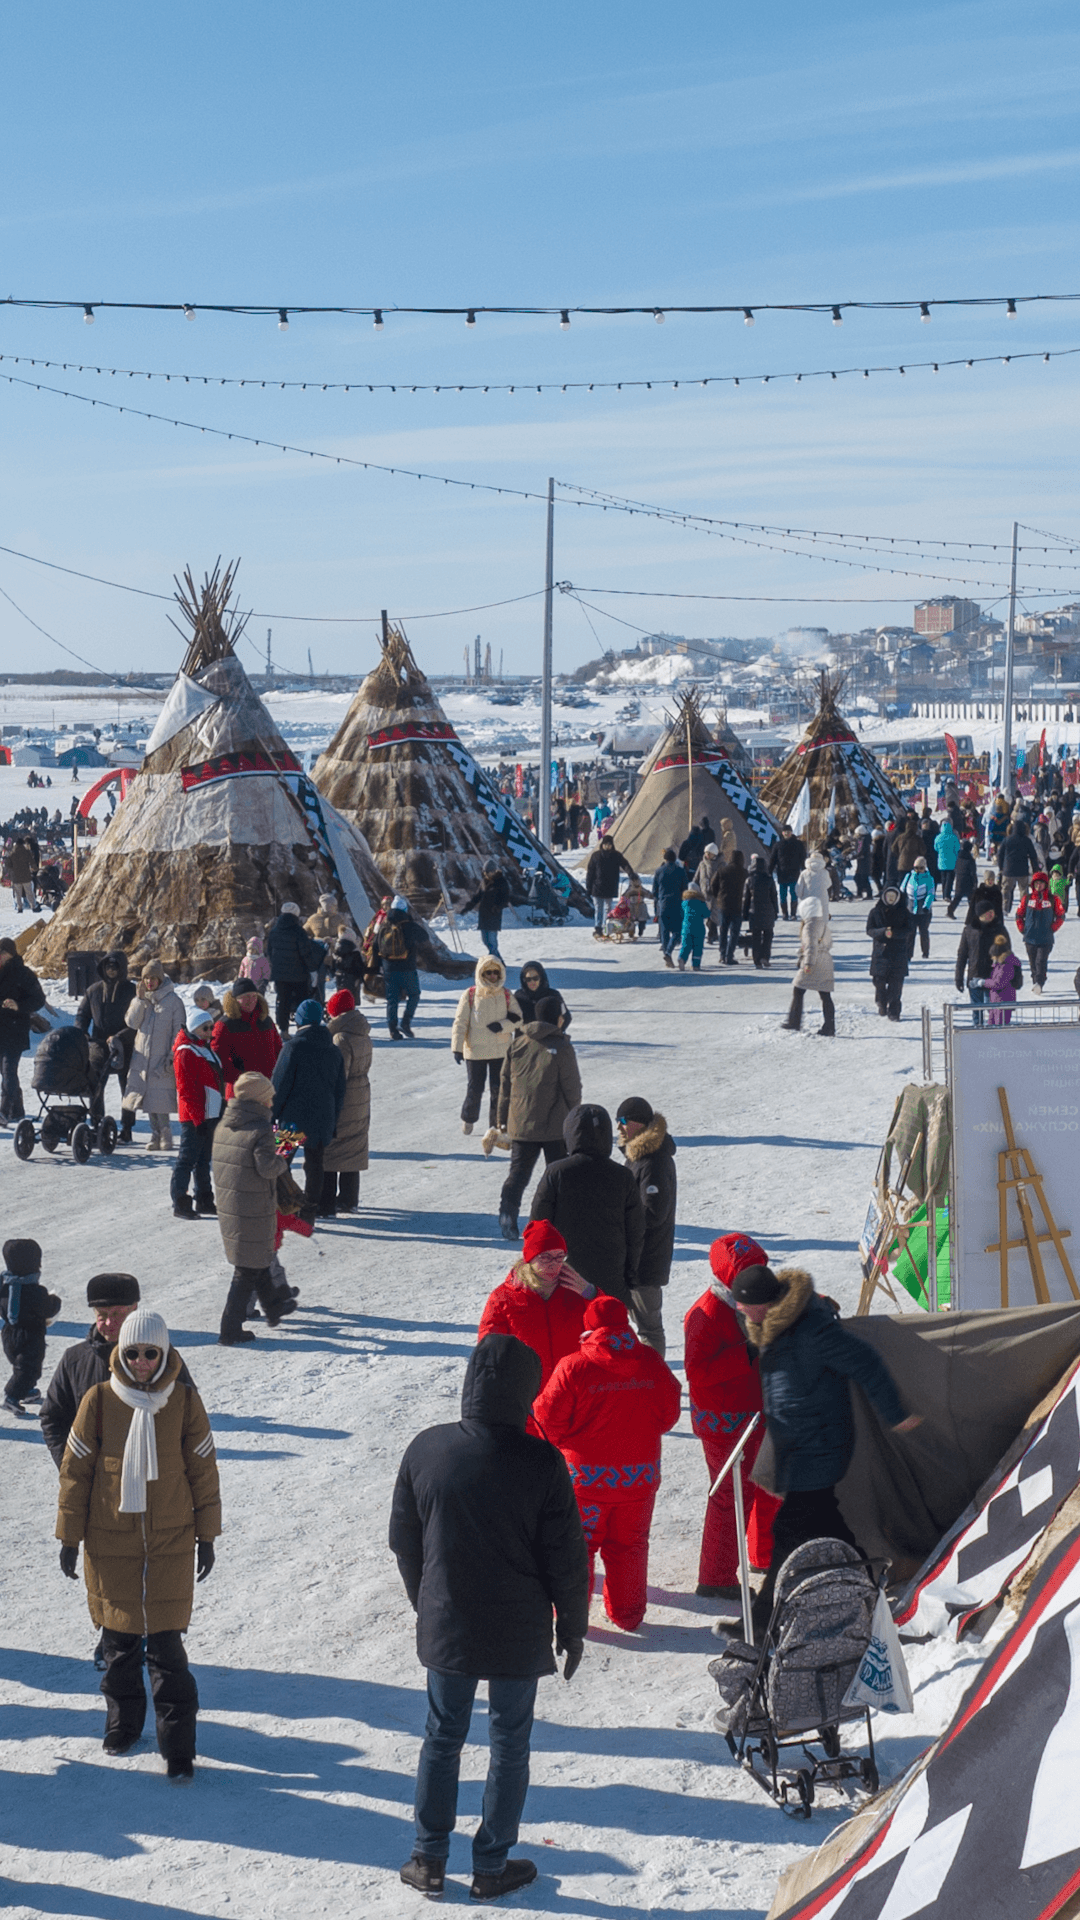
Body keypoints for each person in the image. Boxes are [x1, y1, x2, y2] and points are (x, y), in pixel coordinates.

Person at [389, 1333, 589, 1903]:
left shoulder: (426, 1449)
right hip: (518, 1631)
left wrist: (426, 1602)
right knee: (509, 1744)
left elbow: (404, 1541)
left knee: (441, 1736)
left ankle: (428, 1858)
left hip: (448, 1621)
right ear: (527, 1391)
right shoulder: (541, 1461)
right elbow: (566, 1557)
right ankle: (491, 1864)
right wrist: (571, 1627)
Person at [56, 1306, 221, 1779]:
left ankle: (179, 1747)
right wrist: (69, 1536)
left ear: (165, 1352)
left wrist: (206, 1535)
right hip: (110, 1542)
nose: (143, 1362)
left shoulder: (185, 1401)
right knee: (120, 1646)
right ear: (119, 1353)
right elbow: (75, 1473)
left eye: (152, 1353)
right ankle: (123, 1723)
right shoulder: (99, 1400)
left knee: (168, 1653)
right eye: (133, 1353)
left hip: (170, 1541)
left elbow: (203, 1472)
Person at [725, 1263, 918, 1634]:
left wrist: (896, 1413)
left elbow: (866, 1363)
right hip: (801, 1449)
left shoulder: (810, 1329)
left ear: (762, 1303)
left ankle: (761, 1621)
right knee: (830, 1530)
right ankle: (873, 1593)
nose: (739, 1311)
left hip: (820, 1448)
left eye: (743, 1305)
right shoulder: (777, 1329)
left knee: (787, 1532)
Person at [533, 1294, 680, 1632]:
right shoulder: (651, 1360)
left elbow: (546, 1419)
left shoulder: (574, 1366)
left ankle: (571, 1617)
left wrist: (569, 1444)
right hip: (640, 1479)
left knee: (577, 1548)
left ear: (589, 1327)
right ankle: (627, 1615)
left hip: (586, 1483)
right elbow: (670, 1412)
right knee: (630, 1545)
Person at [684, 1234, 780, 1601]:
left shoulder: (757, 1299)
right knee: (730, 1498)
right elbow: (697, 1372)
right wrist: (748, 1352)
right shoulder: (705, 1315)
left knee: (767, 1486)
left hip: (757, 1415)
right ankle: (716, 1578)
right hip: (723, 1424)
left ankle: (763, 1554)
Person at [41, 1273, 193, 1470]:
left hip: (154, 1480)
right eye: (102, 1316)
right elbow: (53, 1418)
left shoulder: (161, 1357)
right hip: (96, 1484)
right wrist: (70, 1467)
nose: (109, 1324)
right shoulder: (74, 1360)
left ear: (134, 1310)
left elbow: (191, 1418)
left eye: (117, 1315)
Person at [477, 1219, 593, 1423]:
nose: (555, 1264)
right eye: (546, 1257)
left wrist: (591, 1294)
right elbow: (490, 1353)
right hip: (526, 1403)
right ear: (530, 1258)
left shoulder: (577, 1292)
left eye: (560, 1257)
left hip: (574, 1400)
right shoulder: (504, 1297)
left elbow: (613, 1327)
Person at [530, 1103, 645, 1309]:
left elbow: (537, 1227)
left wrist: (536, 1274)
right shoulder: (622, 1176)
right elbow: (635, 1232)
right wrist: (630, 1275)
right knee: (606, 1336)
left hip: (564, 1277)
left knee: (569, 1338)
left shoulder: (557, 1173)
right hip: (611, 1277)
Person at [212, 1071, 297, 1344]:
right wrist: (284, 1152)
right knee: (247, 1270)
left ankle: (273, 1308)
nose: (271, 1104)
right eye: (269, 1099)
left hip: (231, 1206)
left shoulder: (225, 1124)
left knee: (256, 1261)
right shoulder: (260, 1130)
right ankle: (230, 1330)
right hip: (254, 1207)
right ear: (259, 1100)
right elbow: (268, 1167)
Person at [495, 994, 582, 1241]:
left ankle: (507, 1216)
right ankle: (557, 1223)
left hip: (521, 1124)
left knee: (518, 1173)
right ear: (556, 1017)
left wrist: (502, 1120)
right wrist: (574, 1120)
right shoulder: (562, 1048)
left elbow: (504, 1085)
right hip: (556, 1126)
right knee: (557, 1176)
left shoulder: (517, 1044)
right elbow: (572, 1089)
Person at [271, 998, 346, 1210]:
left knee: (280, 1162)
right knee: (315, 1164)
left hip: (292, 1121)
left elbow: (279, 1085)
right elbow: (340, 1090)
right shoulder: (333, 1051)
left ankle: (285, 1202)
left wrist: (270, 1114)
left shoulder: (292, 1048)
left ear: (299, 1020)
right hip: (323, 1118)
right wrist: (334, 1120)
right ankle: (312, 1207)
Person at [615, 1098, 676, 1356]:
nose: (619, 1127)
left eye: (624, 1121)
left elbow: (653, 1213)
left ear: (639, 1124)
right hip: (634, 1258)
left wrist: (618, 1217)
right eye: (617, 1121)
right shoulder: (639, 1157)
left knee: (649, 1329)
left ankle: (655, 1387)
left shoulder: (653, 1161)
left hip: (646, 1261)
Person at [451, 956, 524, 1136]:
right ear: (481, 973)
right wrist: (457, 1047)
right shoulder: (470, 995)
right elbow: (460, 1022)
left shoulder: (506, 994)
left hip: (500, 1051)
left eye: (495, 972)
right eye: (488, 972)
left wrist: (502, 1026)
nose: (492, 976)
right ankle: (469, 1118)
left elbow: (518, 1018)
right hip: (475, 1051)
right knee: (475, 1089)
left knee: (498, 1090)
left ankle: (496, 1125)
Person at [320, 989, 372, 1215]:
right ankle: (350, 1198)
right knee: (353, 1146)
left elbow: (338, 1074)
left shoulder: (340, 1037)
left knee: (333, 1147)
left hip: (345, 1096)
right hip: (361, 1093)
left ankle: (328, 1199)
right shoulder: (361, 1032)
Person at [123, 963, 185, 1150]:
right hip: (142, 1058)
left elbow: (178, 1032)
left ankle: (166, 1132)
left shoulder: (173, 1001)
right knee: (147, 1097)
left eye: (153, 978)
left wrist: (172, 1056)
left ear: (160, 979)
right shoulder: (142, 1000)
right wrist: (139, 1000)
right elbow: (132, 1023)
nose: (149, 982)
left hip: (162, 1057)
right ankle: (154, 1134)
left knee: (161, 1098)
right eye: (146, 978)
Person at [75, 950, 137, 1136]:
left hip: (125, 1044)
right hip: (99, 1044)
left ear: (122, 968)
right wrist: (81, 1031)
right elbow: (82, 1015)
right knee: (94, 1082)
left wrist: (121, 1036)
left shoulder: (132, 991)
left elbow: (138, 1021)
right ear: (102, 968)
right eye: (108, 966)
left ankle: (127, 1126)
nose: (111, 969)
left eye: (115, 966)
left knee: (127, 1087)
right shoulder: (93, 990)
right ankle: (97, 1121)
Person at [170, 1011, 224, 1219]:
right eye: (205, 1028)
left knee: (203, 1160)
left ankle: (204, 1199)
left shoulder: (204, 1049)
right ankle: (180, 1202)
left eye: (211, 1028)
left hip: (209, 1113)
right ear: (194, 1029)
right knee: (187, 1160)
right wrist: (198, 1120)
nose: (210, 1032)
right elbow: (186, 1090)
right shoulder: (186, 1052)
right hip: (194, 1117)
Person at [1, 1237, 61, 1416]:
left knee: (20, 1365)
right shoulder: (35, 1292)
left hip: (9, 1333)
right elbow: (48, 1309)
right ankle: (12, 1396)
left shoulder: (4, 1285)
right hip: (30, 1335)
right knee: (30, 1368)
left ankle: (26, 1391)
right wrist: (55, 1300)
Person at [0, 937, 46, 1125]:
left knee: (8, 1071)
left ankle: (3, 1112)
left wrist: (19, 1005)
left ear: (9, 954)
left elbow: (39, 999)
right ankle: (17, 1111)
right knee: (6, 1074)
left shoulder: (24, 974)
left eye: (2, 954)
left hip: (14, 1030)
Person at [211, 980, 282, 1099]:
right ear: (235, 999)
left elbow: (279, 1050)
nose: (251, 1000)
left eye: (254, 996)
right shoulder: (225, 1024)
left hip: (267, 1088)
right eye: (246, 997)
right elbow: (217, 1059)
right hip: (240, 1091)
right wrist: (239, 1078)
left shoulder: (266, 1020)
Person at [266, 901, 322, 1036]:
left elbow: (269, 952)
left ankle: (283, 1030)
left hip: (280, 975)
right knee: (302, 1001)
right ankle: (302, 1029)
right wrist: (313, 970)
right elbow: (306, 954)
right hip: (299, 974)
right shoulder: (299, 932)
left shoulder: (274, 932)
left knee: (283, 1001)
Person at [781, 895, 835, 1036]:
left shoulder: (809, 926)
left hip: (813, 962)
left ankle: (794, 1021)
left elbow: (811, 947)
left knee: (798, 989)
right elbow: (829, 943)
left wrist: (808, 963)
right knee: (825, 995)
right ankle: (830, 1026)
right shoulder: (822, 923)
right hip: (825, 961)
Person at [954, 883, 1006, 1027]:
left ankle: (994, 1038)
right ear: (980, 914)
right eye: (987, 912)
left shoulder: (999, 929)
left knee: (993, 1011)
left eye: (992, 912)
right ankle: (978, 1035)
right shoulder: (969, 930)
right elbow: (962, 955)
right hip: (975, 975)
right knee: (977, 1013)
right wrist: (958, 977)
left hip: (992, 977)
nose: (991, 914)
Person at [379, 895, 422, 1041]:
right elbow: (425, 937)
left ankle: (392, 1030)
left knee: (392, 1000)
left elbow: (375, 946)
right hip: (407, 967)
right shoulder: (409, 924)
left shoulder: (384, 924)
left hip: (388, 968)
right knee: (414, 994)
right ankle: (405, 1022)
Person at [866, 886, 911, 1021]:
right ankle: (881, 1002)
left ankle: (894, 1012)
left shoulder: (904, 912)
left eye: (893, 897)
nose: (891, 899)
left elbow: (909, 930)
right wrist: (882, 932)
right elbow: (869, 930)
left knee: (896, 986)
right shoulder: (875, 912)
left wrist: (895, 934)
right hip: (881, 953)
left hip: (898, 953)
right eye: (888, 897)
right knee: (878, 982)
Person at [1016, 869, 1064, 994]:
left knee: (1041, 961)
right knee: (1033, 962)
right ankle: (1035, 982)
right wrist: (1022, 929)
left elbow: (1061, 916)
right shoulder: (1027, 898)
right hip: (1030, 937)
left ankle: (1039, 983)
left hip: (1045, 938)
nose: (1039, 886)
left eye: (1041, 883)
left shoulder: (1053, 899)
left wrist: (1053, 928)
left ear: (1046, 884)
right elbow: (1019, 915)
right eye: (1036, 883)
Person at [584, 835, 635, 940]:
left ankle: (605, 927)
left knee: (608, 908)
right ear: (602, 845)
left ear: (612, 845)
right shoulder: (596, 856)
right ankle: (598, 928)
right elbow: (590, 872)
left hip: (609, 886)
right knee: (598, 908)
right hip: (596, 886)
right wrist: (588, 887)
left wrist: (631, 874)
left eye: (609, 844)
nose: (607, 846)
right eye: (605, 844)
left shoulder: (616, 855)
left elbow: (625, 865)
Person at [462, 861, 512, 959]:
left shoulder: (501, 881)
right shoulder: (484, 882)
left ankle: (497, 961)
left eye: (489, 872)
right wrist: (467, 907)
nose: (487, 874)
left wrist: (497, 907)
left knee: (492, 942)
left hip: (494, 915)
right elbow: (477, 896)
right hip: (484, 915)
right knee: (485, 940)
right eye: (486, 872)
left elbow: (505, 898)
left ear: (494, 871)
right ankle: (497, 959)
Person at [652, 848, 689, 967]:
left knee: (664, 932)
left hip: (663, 905)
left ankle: (667, 956)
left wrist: (660, 899)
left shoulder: (659, 871)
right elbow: (685, 888)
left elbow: (654, 890)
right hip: (677, 904)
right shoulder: (681, 871)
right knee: (677, 932)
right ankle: (668, 952)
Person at [742, 854, 779, 968]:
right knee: (768, 935)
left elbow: (745, 898)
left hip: (754, 912)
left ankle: (757, 960)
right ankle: (765, 957)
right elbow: (774, 896)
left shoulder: (749, 880)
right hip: (768, 911)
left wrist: (744, 913)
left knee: (756, 937)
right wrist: (776, 911)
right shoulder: (769, 879)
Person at [998, 819, 1039, 915]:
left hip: (1008, 870)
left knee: (1006, 890)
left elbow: (1000, 854)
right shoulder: (1027, 840)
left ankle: (1004, 908)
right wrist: (1035, 869)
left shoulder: (1007, 839)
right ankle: (1023, 908)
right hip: (1022, 870)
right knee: (1023, 890)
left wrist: (1001, 868)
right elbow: (1033, 856)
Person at [712, 850, 746, 965]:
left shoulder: (722, 870)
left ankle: (722, 954)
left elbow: (713, 885)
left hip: (723, 905)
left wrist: (718, 896)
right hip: (736, 905)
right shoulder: (743, 872)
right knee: (734, 932)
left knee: (723, 930)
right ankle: (729, 956)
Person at [515, 962, 570, 1030]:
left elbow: (566, 1016)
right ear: (524, 980)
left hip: (549, 1037)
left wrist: (558, 1029)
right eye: (528, 979)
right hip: (525, 1037)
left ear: (541, 978)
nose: (532, 982)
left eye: (535, 978)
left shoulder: (553, 995)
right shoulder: (519, 996)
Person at [900, 855, 935, 960]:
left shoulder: (929, 878)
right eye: (916, 868)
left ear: (924, 868)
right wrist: (901, 905)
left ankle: (925, 953)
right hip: (910, 910)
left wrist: (926, 906)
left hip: (923, 911)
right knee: (910, 933)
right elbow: (902, 890)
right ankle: (908, 954)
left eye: (921, 868)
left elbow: (930, 894)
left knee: (924, 932)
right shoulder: (908, 877)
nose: (918, 870)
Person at [768, 824, 806, 921]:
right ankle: (785, 913)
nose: (787, 833)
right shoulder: (778, 845)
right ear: (782, 833)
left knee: (794, 894)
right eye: (785, 832)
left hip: (794, 873)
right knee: (782, 895)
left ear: (791, 833)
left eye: (788, 832)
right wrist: (769, 871)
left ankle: (793, 914)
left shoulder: (798, 844)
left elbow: (803, 858)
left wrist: (805, 870)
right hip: (782, 874)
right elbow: (773, 859)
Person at [988, 933, 1023, 1026]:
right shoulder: (1000, 965)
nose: (992, 958)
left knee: (1000, 1029)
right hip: (996, 1001)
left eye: (993, 956)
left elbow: (998, 983)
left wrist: (983, 982)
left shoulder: (1007, 966)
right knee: (991, 1027)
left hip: (1003, 1002)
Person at [677, 881, 710, 972]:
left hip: (686, 927)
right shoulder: (701, 902)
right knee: (697, 946)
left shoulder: (684, 903)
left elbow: (681, 914)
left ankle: (682, 958)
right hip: (698, 928)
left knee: (686, 945)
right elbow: (706, 914)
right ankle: (695, 965)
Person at [946, 836, 978, 920]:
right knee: (971, 900)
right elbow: (973, 873)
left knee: (957, 898)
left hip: (959, 881)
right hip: (969, 882)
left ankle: (950, 910)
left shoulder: (958, 858)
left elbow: (955, 869)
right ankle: (973, 915)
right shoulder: (970, 860)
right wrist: (975, 883)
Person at [935, 816, 960, 902]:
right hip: (952, 861)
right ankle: (947, 895)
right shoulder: (953, 837)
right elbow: (957, 847)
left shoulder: (938, 837)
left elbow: (935, 848)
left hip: (941, 861)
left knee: (943, 878)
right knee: (950, 878)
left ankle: (943, 893)